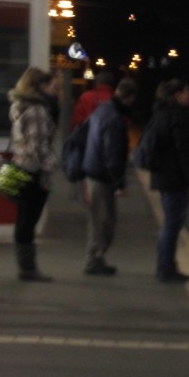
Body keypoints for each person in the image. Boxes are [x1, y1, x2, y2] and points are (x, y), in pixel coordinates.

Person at [80, 78, 138, 276]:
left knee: (100, 219)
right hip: (102, 176)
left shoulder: (103, 110)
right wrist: (119, 182)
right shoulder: (114, 118)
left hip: (95, 171)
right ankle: (93, 259)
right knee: (103, 220)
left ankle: (96, 258)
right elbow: (112, 153)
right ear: (129, 98)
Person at [7, 66, 60, 281]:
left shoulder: (18, 105)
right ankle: (28, 269)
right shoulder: (38, 110)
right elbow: (38, 148)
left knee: (22, 219)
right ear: (40, 86)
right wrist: (53, 166)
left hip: (18, 167)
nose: (57, 91)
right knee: (29, 221)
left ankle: (25, 267)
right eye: (53, 86)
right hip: (33, 172)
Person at [147, 78, 189, 282]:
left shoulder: (160, 114)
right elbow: (184, 151)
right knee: (172, 224)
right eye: (186, 92)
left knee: (170, 223)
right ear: (177, 95)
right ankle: (166, 268)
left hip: (164, 176)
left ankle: (166, 265)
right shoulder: (179, 117)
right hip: (175, 178)